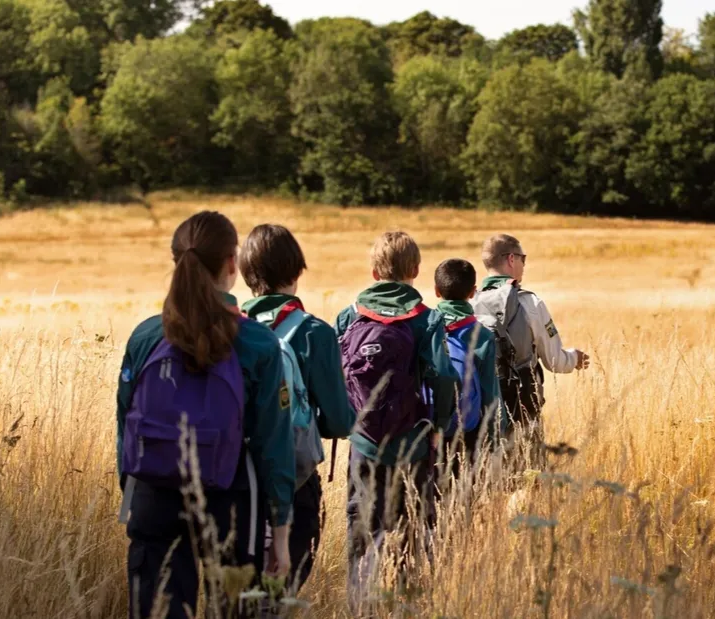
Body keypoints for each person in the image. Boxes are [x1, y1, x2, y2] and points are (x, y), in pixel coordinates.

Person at [116, 211, 294, 619]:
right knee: (232, 610)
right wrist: (280, 532)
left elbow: (124, 423)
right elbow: (274, 443)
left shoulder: (145, 336)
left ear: (176, 262)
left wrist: (132, 492)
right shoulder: (257, 342)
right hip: (230, 494)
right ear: (232, 264)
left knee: (157, 610)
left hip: (153, 490)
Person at [335, 231, 458, 588]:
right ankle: (408, 598)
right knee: (414, 528)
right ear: (416, 270)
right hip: (413, 444)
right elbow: (444, 377)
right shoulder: (426, 319)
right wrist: (439, 426)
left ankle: (361, 603)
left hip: (364, 443)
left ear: (374, 272)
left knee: (362, 529)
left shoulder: (349, 317)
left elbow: (333, 374)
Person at [238, 223, 356, 593]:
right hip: (294, 478)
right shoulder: (313, 333)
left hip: (230, 478)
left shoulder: (225, 329)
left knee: (235, 595)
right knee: (280, 592)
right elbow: (339, 422)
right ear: (296, 271)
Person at [472, 234, 590, 455]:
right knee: (529, 474)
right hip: (523, 403)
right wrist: (574, 358)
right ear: (511, 259)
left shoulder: (471, 302)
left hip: (480, 406)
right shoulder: (530, 302)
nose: (524, 264)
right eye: (522, 258)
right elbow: (555, 361)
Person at [432, 258, 507, 470]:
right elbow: (490, 392)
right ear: (473, 292)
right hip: (468, 433)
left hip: (427, 432)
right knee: (466, 497)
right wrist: (495, 436)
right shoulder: (481, 336)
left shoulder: (425, 328)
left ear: (437, 291)